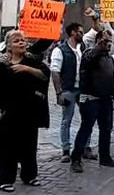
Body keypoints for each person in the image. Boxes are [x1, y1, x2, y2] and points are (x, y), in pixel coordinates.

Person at [0, 30, 50, 193]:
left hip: (29, 110)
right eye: (16, 41)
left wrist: (26, 69)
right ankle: (6, 179)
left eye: (23, 40)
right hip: (9, 111)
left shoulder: (32, 60)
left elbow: (44, 75)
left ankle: (29, 176)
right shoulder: (2, 63)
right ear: (8, 46)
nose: (21, 43)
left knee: (29, 145)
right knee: (8, 146)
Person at [70, 30, 114, 173]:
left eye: (109, 42)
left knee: (106, 130)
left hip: (105, 100)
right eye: (104, 41)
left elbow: (110, 78)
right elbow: (89, 59)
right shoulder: (89, 54)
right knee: (86, 129)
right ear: (98, 41)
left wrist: (113, 95)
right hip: (91, 99)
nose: (108, 45)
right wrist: (98, 46)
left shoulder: (109, 59)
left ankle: (105, 157)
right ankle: (76, 159)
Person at [50, 23, 97, 163]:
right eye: (80, 32)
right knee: (66, 120)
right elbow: (55, 71)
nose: (82, 35)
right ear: (73, 33)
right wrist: (59, 92)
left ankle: (85, 147)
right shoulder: (60, 50)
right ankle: (65, 150)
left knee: (87, 119)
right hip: (68, 89)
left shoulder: (83, 48)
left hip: (82, 89)